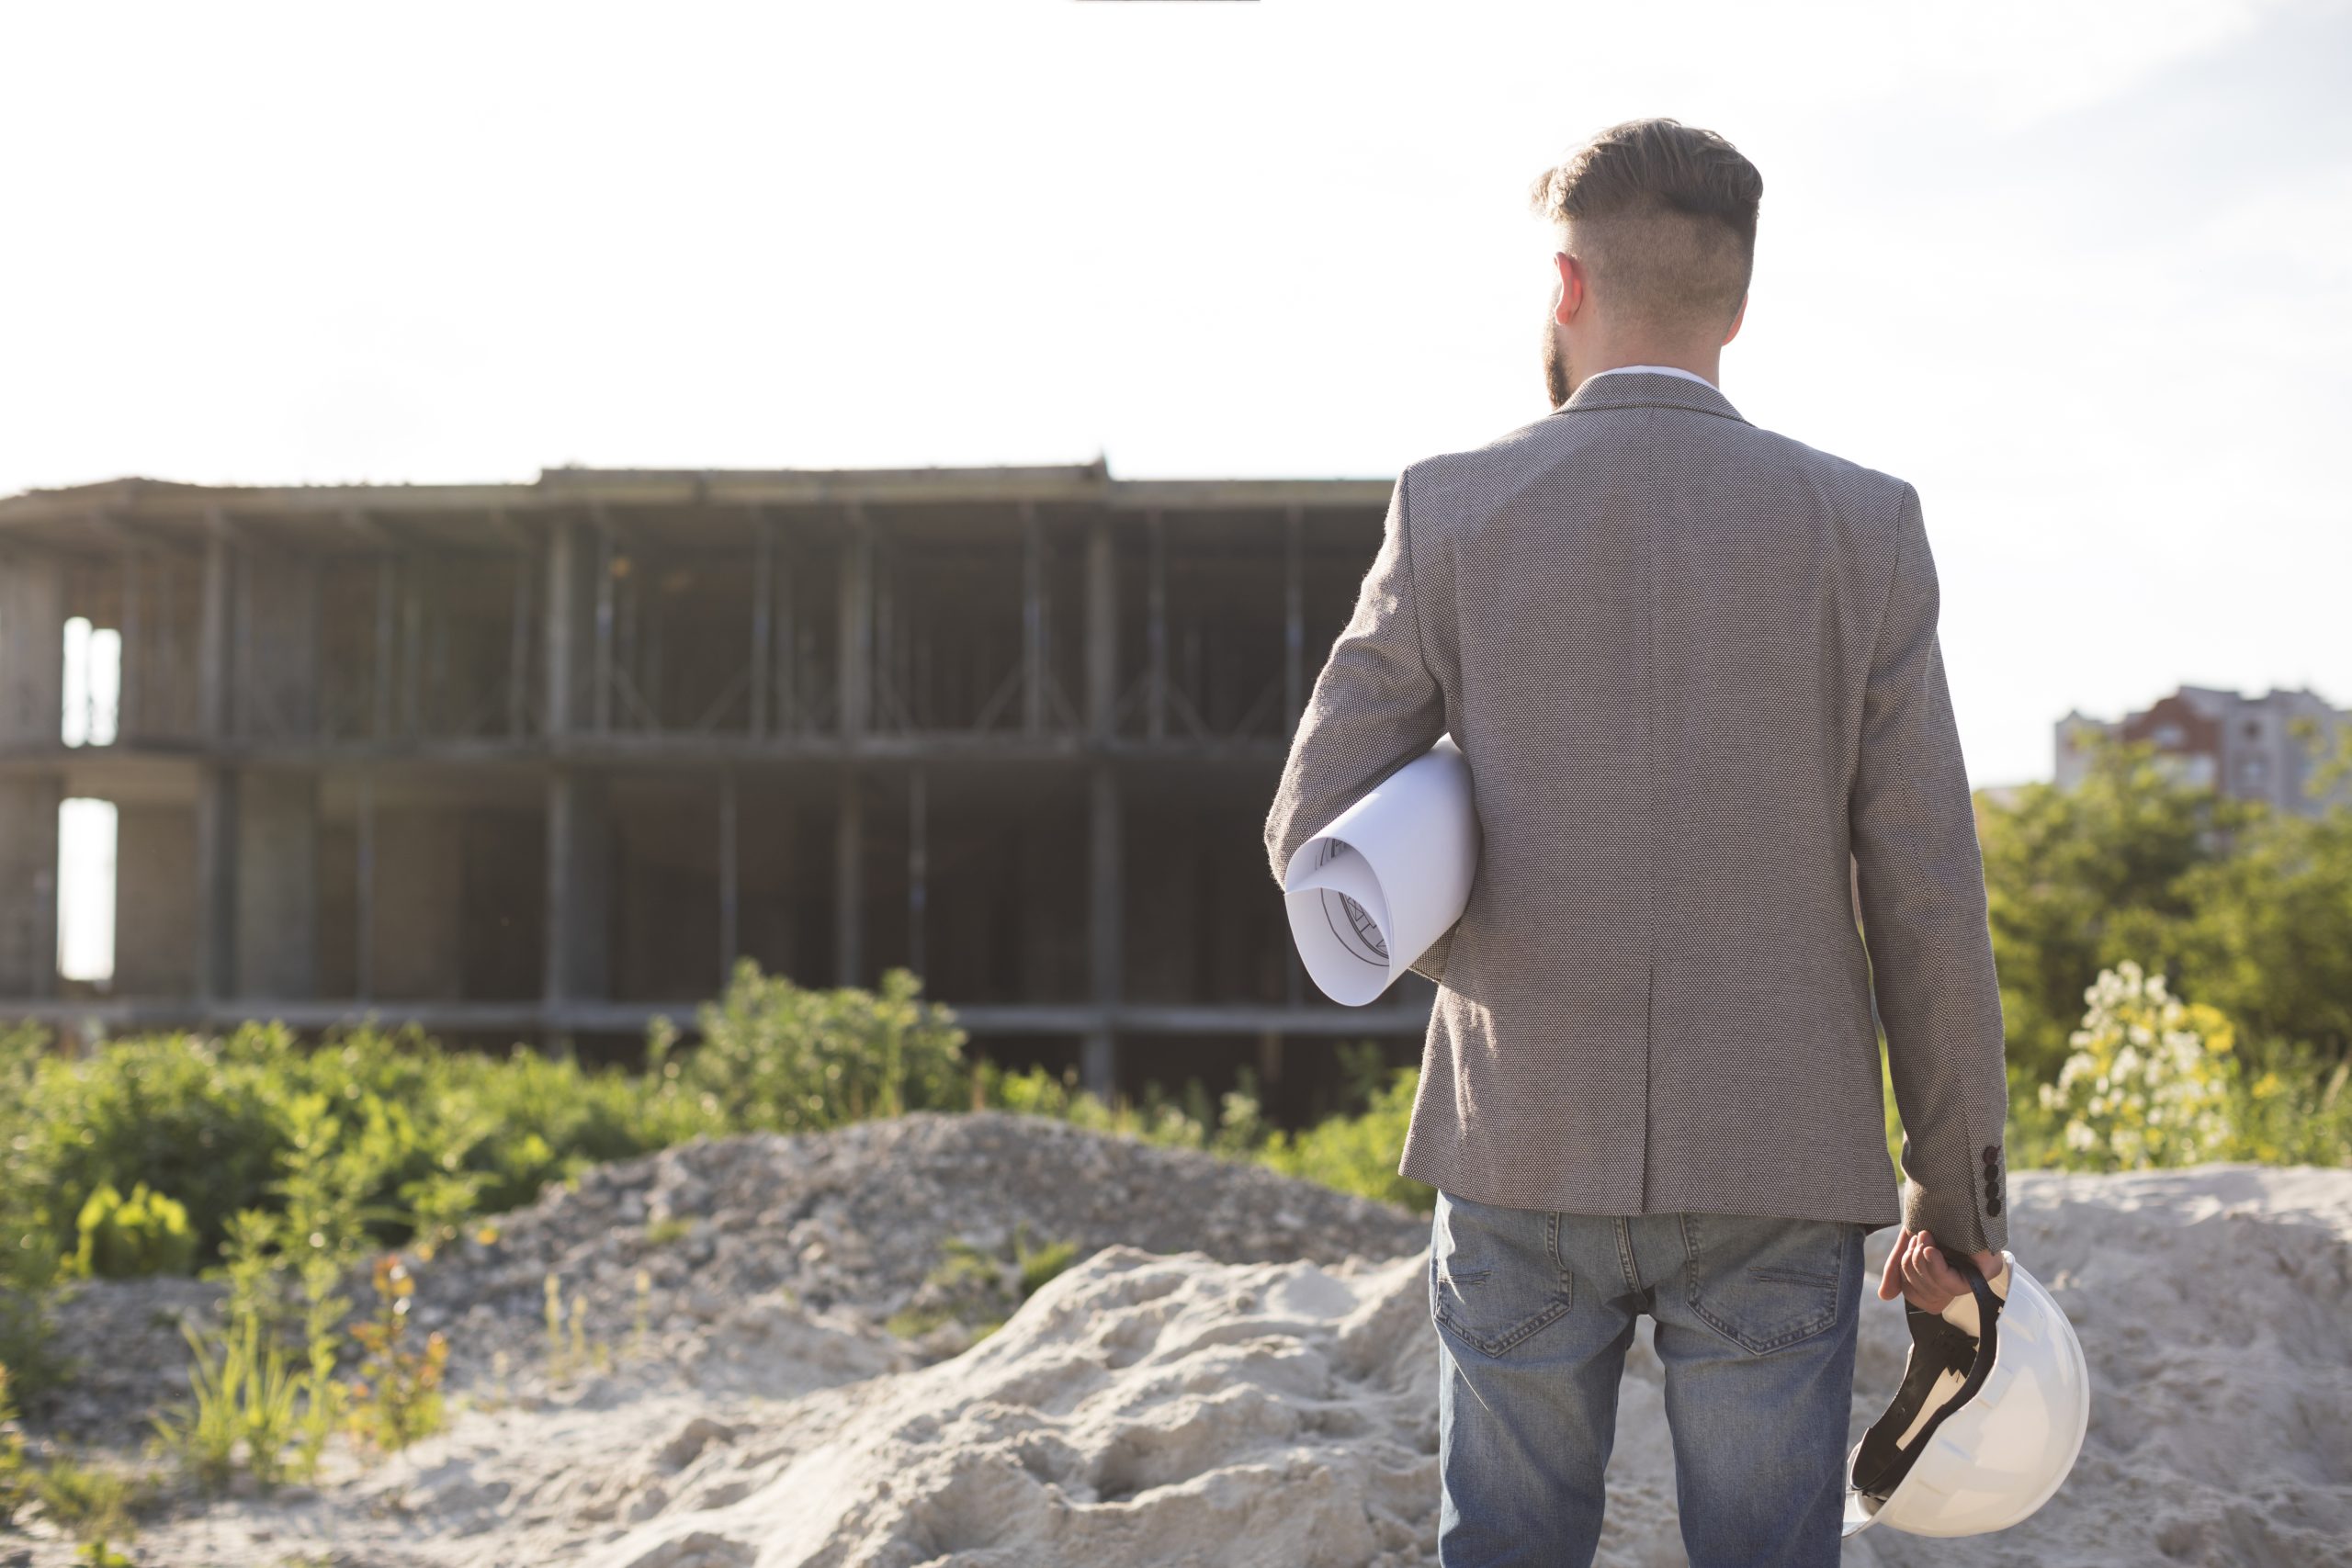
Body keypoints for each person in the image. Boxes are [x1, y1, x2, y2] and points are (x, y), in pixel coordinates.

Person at [1261, 117, 2012, 1568]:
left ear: (1562, 285)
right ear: (1738, 303)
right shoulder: (1867, 527)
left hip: (1520, 1135)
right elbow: (1928, 890)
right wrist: (1958, 1196)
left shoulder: (1451, 506)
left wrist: (1503, 942)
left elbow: (1312, 825)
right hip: (1780, 1154)